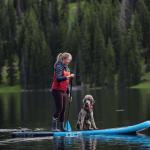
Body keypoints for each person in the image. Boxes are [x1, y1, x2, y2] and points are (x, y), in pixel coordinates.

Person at [51, 52, 74, 131]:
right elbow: (58, 78)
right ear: (64, 59)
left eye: (69, 60)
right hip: (56, 90)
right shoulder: (59, 66)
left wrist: (69, 94)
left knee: (63, 109)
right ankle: (54, 127)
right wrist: (68, 76)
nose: (69, 61)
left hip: (63, 91)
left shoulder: (67, 68)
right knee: (59, 108)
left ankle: (62, 128)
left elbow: (66, 83)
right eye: (68, 60)